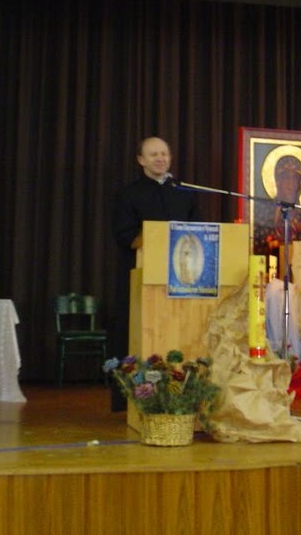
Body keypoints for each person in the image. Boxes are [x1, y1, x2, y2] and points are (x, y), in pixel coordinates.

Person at [109, 136, 198, 411]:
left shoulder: (185, 191)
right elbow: (125, 235)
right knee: (136, 335)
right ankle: (133, 399)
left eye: (164, 153)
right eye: (153, 154)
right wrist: (153, 237)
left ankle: (181, 395)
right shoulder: (128, 194)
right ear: (141, 160)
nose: (160, 158)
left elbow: (198, 232)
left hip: (183, 278)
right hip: (141, 275)